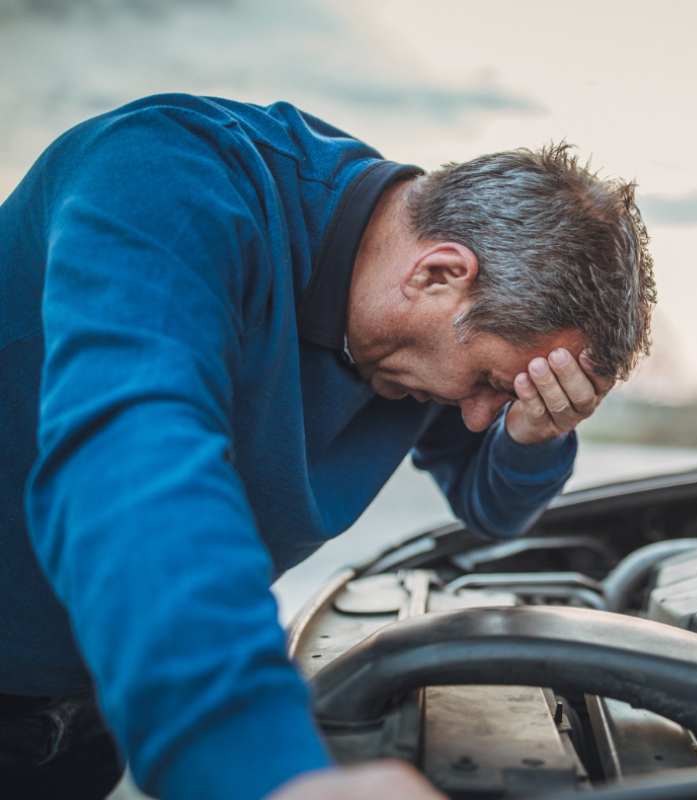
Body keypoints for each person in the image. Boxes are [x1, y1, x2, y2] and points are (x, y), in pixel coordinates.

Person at [0, 94, 655, 799]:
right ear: (438, 273)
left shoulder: (413, 325)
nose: (477, 418)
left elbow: (491, 509)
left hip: (101, 693)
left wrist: (533, 434)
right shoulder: (165, 178)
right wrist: (269, 766)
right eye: (491, 382)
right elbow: (132, 462)